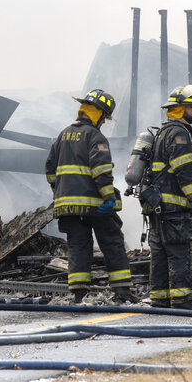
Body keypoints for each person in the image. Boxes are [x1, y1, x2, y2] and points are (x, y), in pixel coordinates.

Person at [45, 88, 134, 303]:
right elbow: (101, 170)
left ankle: (78, 293)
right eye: (103, 118)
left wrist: (61, 194)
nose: (103, 123)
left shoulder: (62, 135)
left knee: (77, 246)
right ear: (97, 114)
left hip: (66, 206)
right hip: (95, 205)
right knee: (112, 242)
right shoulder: (95, 136)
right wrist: (109, 198)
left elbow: (49, 170)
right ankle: (122, 291)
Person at [140, 84, 192, 310]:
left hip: (157, 206)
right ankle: (183, 300)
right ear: (180, 109)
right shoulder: (179, 134)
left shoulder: (162, 132)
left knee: (159, 253)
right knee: (180, 250)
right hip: (173, 207)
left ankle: (160, 299)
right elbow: (184, 170)